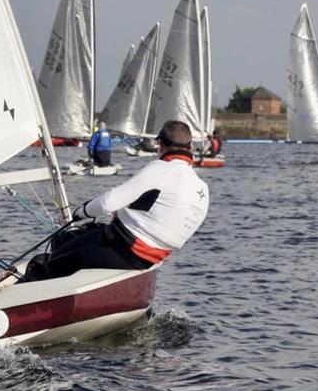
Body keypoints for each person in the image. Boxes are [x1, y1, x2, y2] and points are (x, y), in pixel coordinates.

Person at [24, 120, 209, 280]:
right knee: (71, 239)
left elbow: (108, 203)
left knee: (52, 257)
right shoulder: (202, 187)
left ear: (160, 145)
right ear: (190, 148)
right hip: (147, 259)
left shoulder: (162, 168)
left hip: (123, 248)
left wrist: (80, 212)